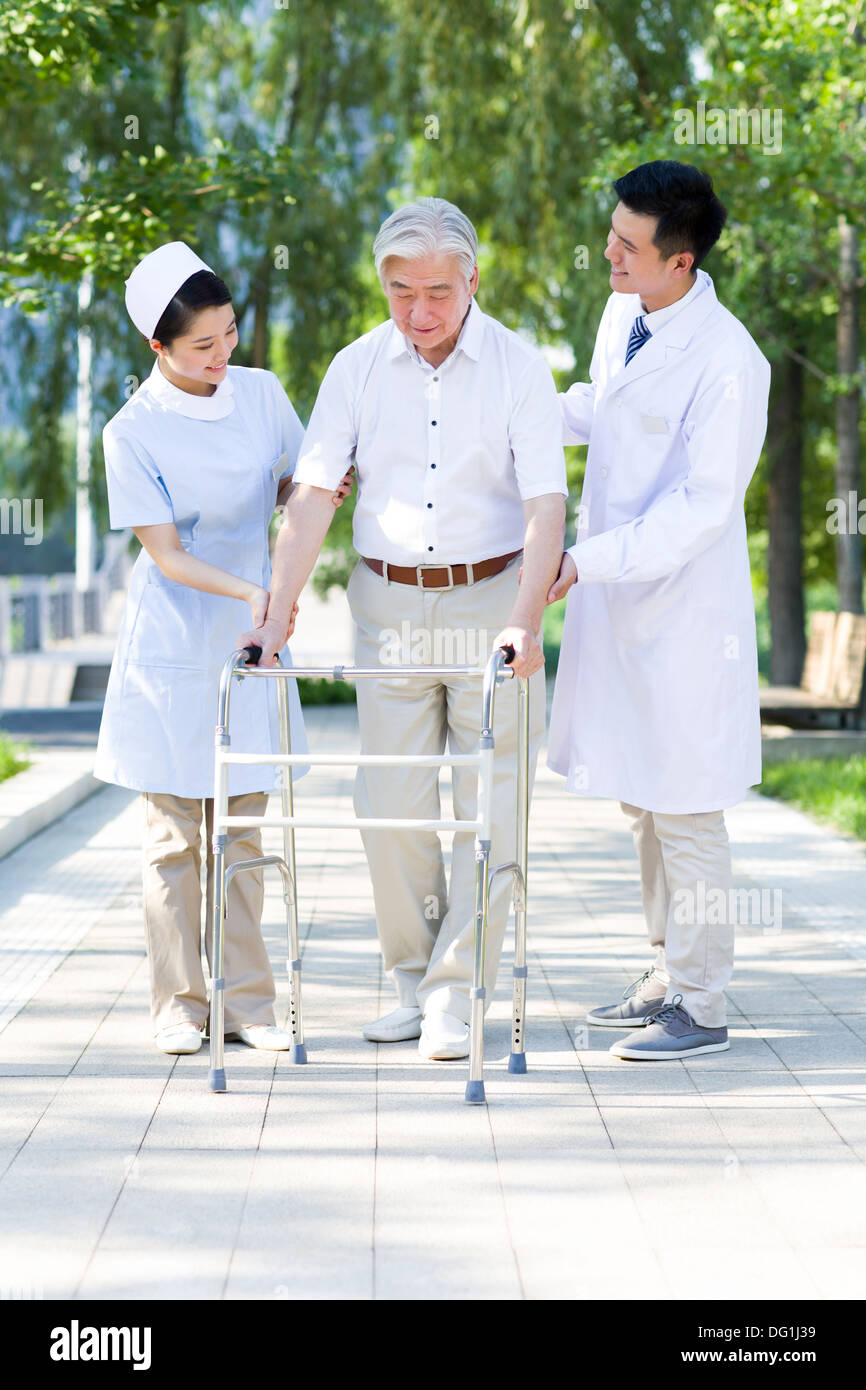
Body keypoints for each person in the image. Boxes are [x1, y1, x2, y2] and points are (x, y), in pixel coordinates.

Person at [241, 197, 567, 1061]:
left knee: (495, 804)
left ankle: (457, 996)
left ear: (472, 281)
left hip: (490, 602)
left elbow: (545, 505)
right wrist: (273, 622)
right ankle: (412, 981)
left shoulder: (518, 368)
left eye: (437, 292)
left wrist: (525, 621)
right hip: (388, 607)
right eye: (399, 292)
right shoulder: (355, 368)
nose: (419, 311)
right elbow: (312, 496)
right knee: (388, 805)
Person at [94, 241, 349, 1056]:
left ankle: (249, 1003)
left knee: (242, 829)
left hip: (252, 642)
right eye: (202, 346)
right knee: (174, 837)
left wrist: (312, 493)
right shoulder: (130, 431)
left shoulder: (262, 393)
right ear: (158, 348)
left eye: (230, 334)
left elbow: (287, 483)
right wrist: (256, 595)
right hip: (177, 635)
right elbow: (166, 554)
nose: (222, 356)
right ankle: (179, 1004)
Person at [546, 160, 770, 1060]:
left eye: (629, 246)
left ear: (681, 263)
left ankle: (705, 1005)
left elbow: (699, 509)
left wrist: (582, 562)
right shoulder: (625, 310)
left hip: (684, 618)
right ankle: (668, 970)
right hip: (626, 610)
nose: (609, 253)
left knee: (687, 806)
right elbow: (609, 409)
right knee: (643, 798)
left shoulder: (731, 364)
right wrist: (524, 417)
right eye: (612, 233)